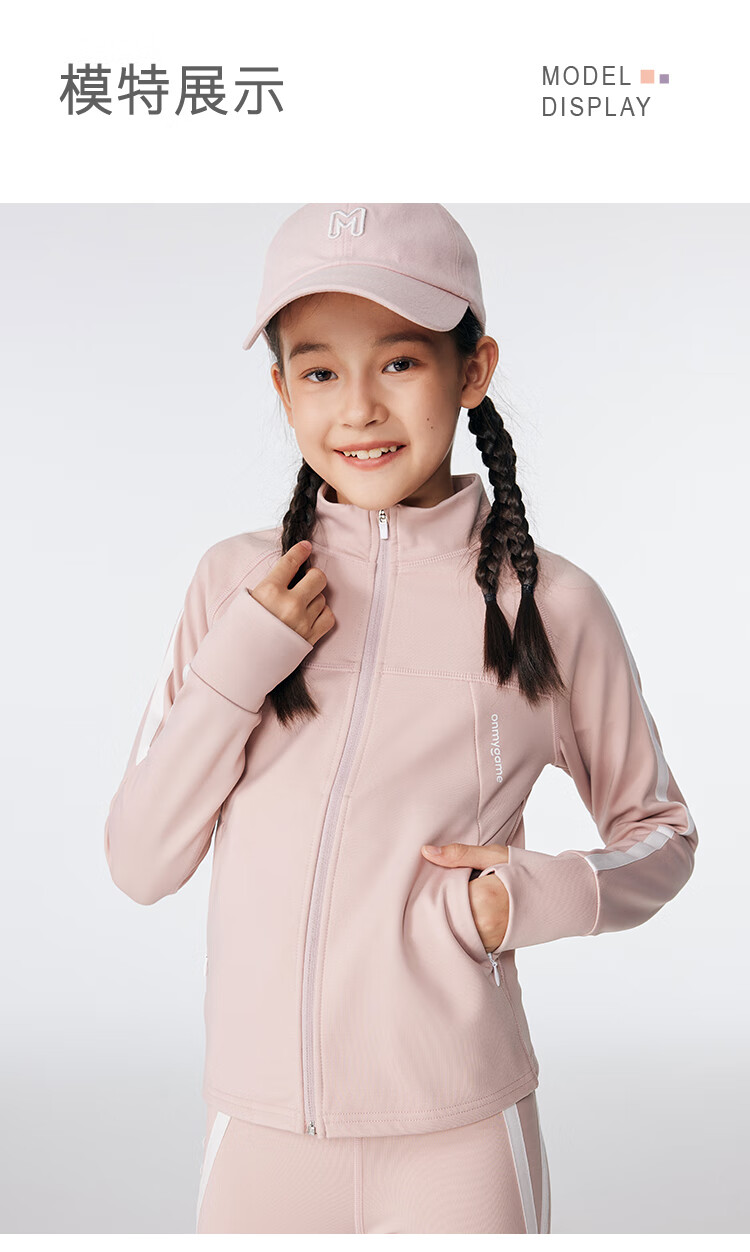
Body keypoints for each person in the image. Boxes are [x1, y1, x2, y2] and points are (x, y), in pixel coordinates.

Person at [103, 203, 698, 1235]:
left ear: (473, 371)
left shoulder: (549, 605)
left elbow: (663, 834)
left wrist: (524, 898)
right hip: (258, 1130)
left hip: (460, 1133)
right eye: (319, 371)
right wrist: (243, 663)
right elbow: (140, 861)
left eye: (400, 362)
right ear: (282, 390)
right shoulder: (235, 586)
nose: (359, 408)